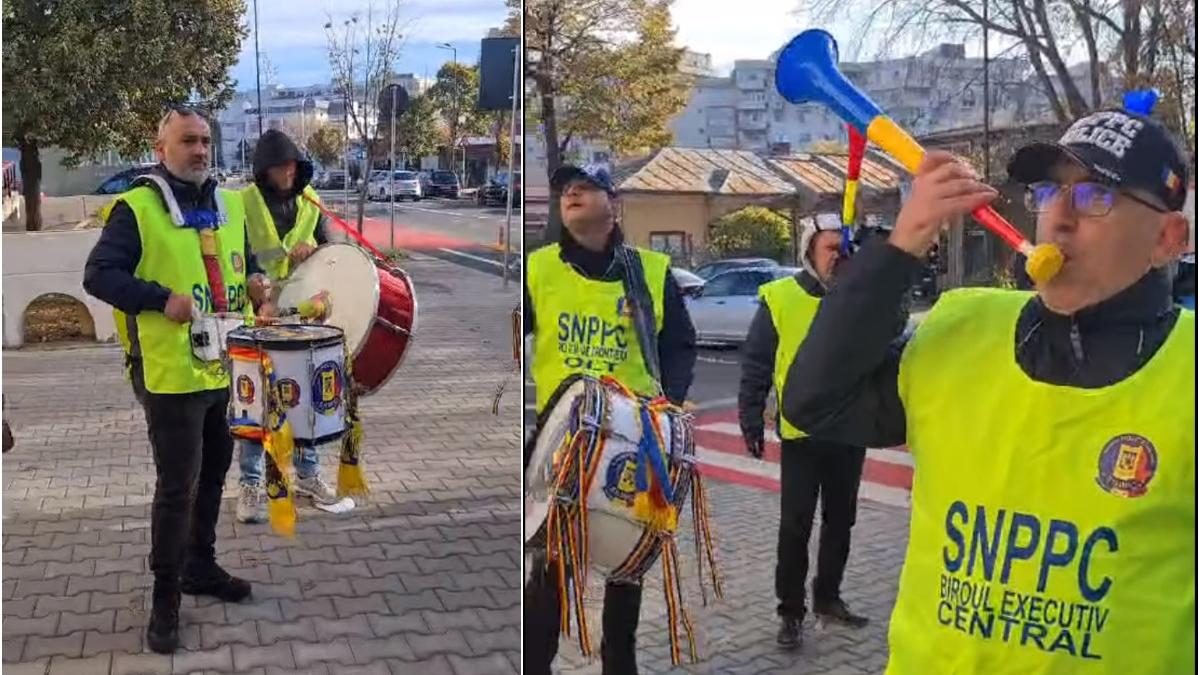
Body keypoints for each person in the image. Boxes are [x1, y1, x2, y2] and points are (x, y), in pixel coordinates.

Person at [782, 108, 1194, 674]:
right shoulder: (962, 328)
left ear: (1168, 239)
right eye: (1050, 191)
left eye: (1097, 195)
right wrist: (900, 247)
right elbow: (813, 402)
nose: (1060, 218)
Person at [82, 107, 264, 654]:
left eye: (206, 140)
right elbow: (99, 276)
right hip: (169, 375)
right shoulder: (135, 208)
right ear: (161, 148)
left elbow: (244, 263)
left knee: (213, 477)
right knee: (176, 488)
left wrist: (257, 282)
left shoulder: (228, 205)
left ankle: (200, 566)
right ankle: (165, 599)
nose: (200, 150)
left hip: (225, 368)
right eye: (188, 141)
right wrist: (162, 300)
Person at [523, 164, 697, 675]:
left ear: (612, 203)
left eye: (585, 186)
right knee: (551, 571)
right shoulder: (539, 269)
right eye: (565, 190)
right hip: (563, 442)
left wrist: (673, 403)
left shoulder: (651, 271)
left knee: (627, 568)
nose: (570, 193)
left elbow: (680, 346)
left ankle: (620, 666)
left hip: (633, 445)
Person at [739, 219, 873, 651]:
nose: (838, 256)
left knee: (841, 522)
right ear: (809, 252)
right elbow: (757, 363)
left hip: (849, 430)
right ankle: (790, 613)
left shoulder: (857, 300)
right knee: (795, 527)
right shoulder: (780, 299)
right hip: (801, 434)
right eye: (830, 248)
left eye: (844, 250)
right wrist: (750, 418)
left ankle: (828, 598)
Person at [235, 128, 337, 523]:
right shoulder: (241, 203)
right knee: (255, 404)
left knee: (305, 401)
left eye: (294, 165)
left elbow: (332, 255)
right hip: (256, 317)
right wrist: (255, 289)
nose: (289, 172)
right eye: (282, 166)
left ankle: (308, 476)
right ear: (265, 170)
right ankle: (251, 485)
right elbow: (235, 256)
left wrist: (313, 253)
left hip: (299, 316)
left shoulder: (311, 201)